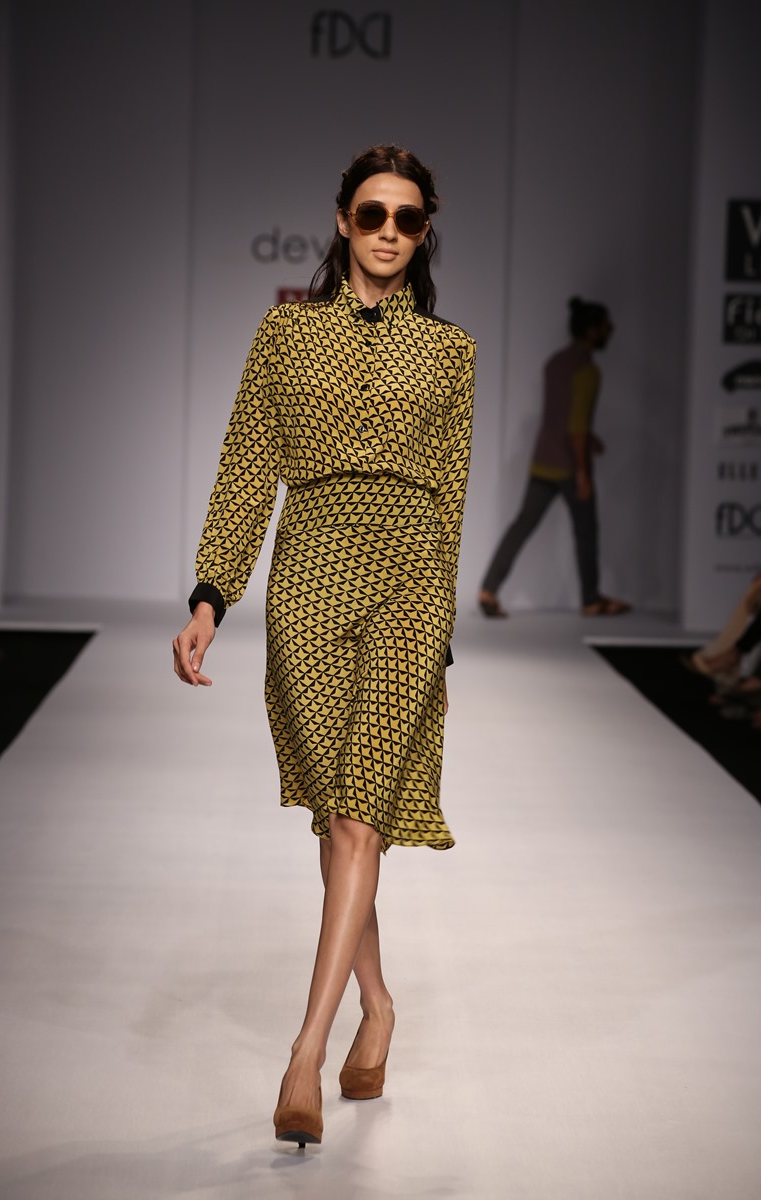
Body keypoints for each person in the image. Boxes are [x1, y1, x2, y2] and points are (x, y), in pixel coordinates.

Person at [172, 145, 475, 1149]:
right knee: (337, 821)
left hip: (409, 583)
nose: (389, 231)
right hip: (308, 577)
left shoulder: (452, 352)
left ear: (423, 233)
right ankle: (377, 1005)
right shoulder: (285, 334)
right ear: (343, 221)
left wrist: (439, 638)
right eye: (372, 213)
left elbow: (451, 498)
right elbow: (245, 467)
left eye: (407, 218)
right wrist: (212, 596)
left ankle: (304, 1052)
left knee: (358, 818)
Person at [478, 296, 631, 618]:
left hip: (542, 460)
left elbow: (559, 414)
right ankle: (591, 600)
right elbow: (575, 425)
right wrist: (583, 473)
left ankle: (488, 589)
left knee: (522, 525)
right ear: (592, 331)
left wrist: (589, 439)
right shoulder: (588, 371)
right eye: (607, 327)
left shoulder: (555, 362)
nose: (610, 332)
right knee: (586, 532)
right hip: (569, 465)